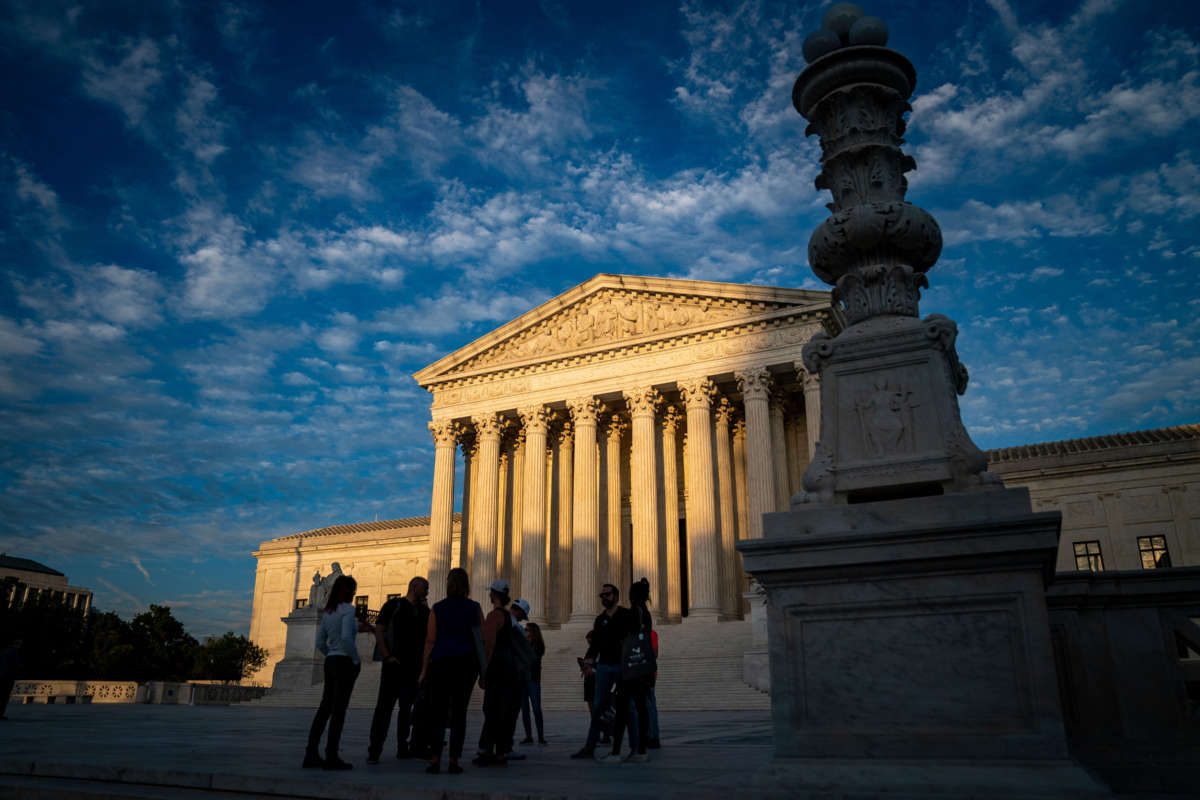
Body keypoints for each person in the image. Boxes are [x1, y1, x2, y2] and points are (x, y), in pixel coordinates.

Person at [421, 567, 485, 775]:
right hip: (465, 664)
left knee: (437, 713)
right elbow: (481, 641)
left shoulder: (438, 608)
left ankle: (435, 758)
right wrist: (484, 671)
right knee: (459, 713)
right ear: (467, 585)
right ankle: (454, 760)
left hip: (441, 663)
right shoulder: (474, 608)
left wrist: (423, 669)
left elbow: (430, 641)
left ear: (448, 585)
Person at [367, 576, 429, 764]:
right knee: (384, 709)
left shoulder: (424, 611)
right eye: (425, 588)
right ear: (414, 587)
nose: (427, 592)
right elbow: (379, 629)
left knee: (406, 709)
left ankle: (403, 747)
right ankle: (374, 750)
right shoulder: (393, 606)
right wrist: (387, 656)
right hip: (393, 666)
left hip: (413, 668)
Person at [305, 574, 362, 770]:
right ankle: (331, 756)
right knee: (339, 711)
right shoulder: (348, 610)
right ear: (350, 591)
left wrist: (331, 654)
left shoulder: (328, 612)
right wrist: (355, 659)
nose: (355, 594)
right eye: (353, 590)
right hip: (345, 662)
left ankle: (311, 753)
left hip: (330, 662)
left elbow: (320, 642)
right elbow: (346, 637)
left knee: (324, 709)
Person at [570, 583, 633, 759]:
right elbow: (595, 645)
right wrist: (588, 661)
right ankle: (590, 747)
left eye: (608, 594)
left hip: (622, 666)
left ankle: (636, 748)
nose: (605, 597)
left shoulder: (626, 615)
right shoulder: (600, 619)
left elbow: (632, 639)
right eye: (602, 595)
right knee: (597, 707)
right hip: (604, 667)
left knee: (628, 708)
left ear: (616, 596)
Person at [605, 577, 653, 763]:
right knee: (641, 709)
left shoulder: (633, 612)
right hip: (643, 667)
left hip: (630, 668)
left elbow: (625, 637)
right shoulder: (646, 613)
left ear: (632, 596)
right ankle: (641, 750)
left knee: (622, 710)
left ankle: (616, 752)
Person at [475, 579, 521, 766]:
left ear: (494, 594)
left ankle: (486, 749)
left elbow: (488, 645)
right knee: (502, 711)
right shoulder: (510, 617)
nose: (488, 595)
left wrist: (483, 671)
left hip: (496, 670)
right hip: (509, 671)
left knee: (491, 710)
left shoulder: (494, 616)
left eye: (490, 592)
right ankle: (501, 752)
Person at [519, 622, 547, 745]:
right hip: (522, 680)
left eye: (527, 629)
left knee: (536, 709)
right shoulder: (523, 644)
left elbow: (531, 658)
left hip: (533, 680)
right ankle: (528, 736)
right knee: (524, 710)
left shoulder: (539, 646)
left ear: (533, 631)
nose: (525, 631)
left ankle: (541, 736)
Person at [646, 627, 661, 749]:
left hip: (648, 674)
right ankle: (648, 735)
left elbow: (655, 654)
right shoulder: (631, 635)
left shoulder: (651, 633)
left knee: (650, 706)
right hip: (636, 673)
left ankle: (653, 737)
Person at [0, 639, 22, 720]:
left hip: (2, 675)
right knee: (4, 696)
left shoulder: (4, 651)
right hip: (8, 676)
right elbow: (16, 664)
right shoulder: (14, 652)